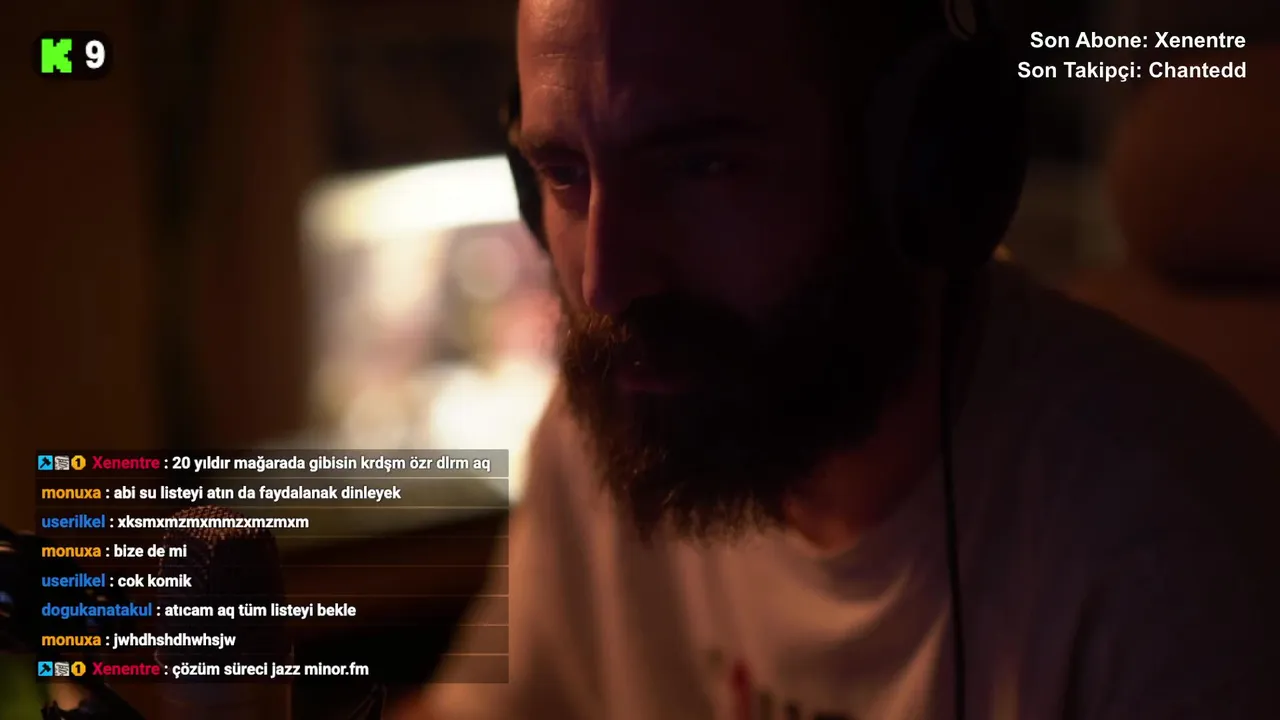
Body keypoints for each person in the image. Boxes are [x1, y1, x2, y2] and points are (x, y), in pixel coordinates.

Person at [402, 0, 1280, 717]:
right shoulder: (625, 420)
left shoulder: (1170, 545)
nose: (606, 283)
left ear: (918, 167)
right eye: (563, 173)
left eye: (701, 166)